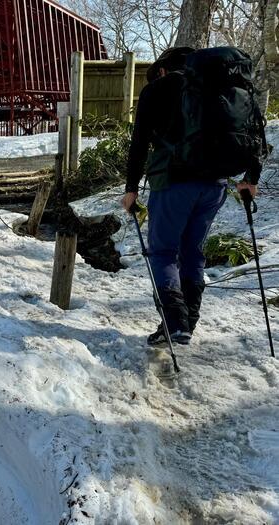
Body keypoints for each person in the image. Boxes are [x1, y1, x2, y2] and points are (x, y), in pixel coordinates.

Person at [122, 46, 267, 346]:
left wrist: (130, 188)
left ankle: (176, 323)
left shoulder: (158, 89)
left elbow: (139, 144)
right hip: (215, 185)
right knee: (192, 251)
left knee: (163, 252)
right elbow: (255, 133)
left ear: (163, 69)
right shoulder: (224, 87)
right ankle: (186, 319)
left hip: (172, 182)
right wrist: (251, 179)